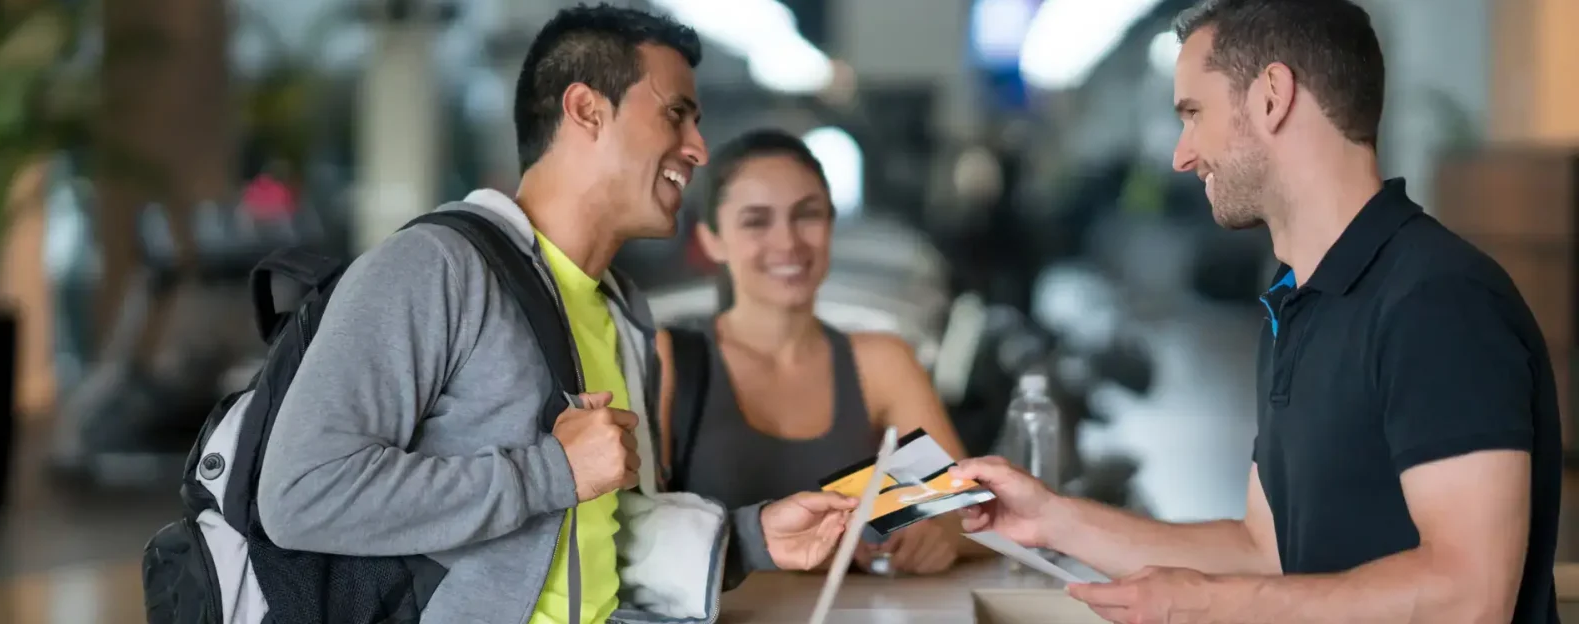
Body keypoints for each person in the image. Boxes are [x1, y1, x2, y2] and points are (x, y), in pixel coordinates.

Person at [952, 1, 1563, 622]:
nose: (1182, 155)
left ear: (1272, 97)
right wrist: (1052, 520)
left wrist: (1209, 604)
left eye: (1194, 114)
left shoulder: (1437, 302)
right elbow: (1264, 552)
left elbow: (1470, 596)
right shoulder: (1296, 299)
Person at [256, 6, 856, 624]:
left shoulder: (620, 310)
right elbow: (301, 494)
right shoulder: (436, 267)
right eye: (675, 114)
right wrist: (551, 470)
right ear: (586, 109)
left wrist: (749, 539)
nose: (699, 149)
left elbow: (589, 532)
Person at [654, 129, 989, 576]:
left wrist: (938, 534)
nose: (788, 242)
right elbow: (632, 532)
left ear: (831, 227)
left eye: (807, 215)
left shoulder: (881, 364)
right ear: (711, 240)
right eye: (756, 221)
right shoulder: (671, 359)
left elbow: (971, 516)